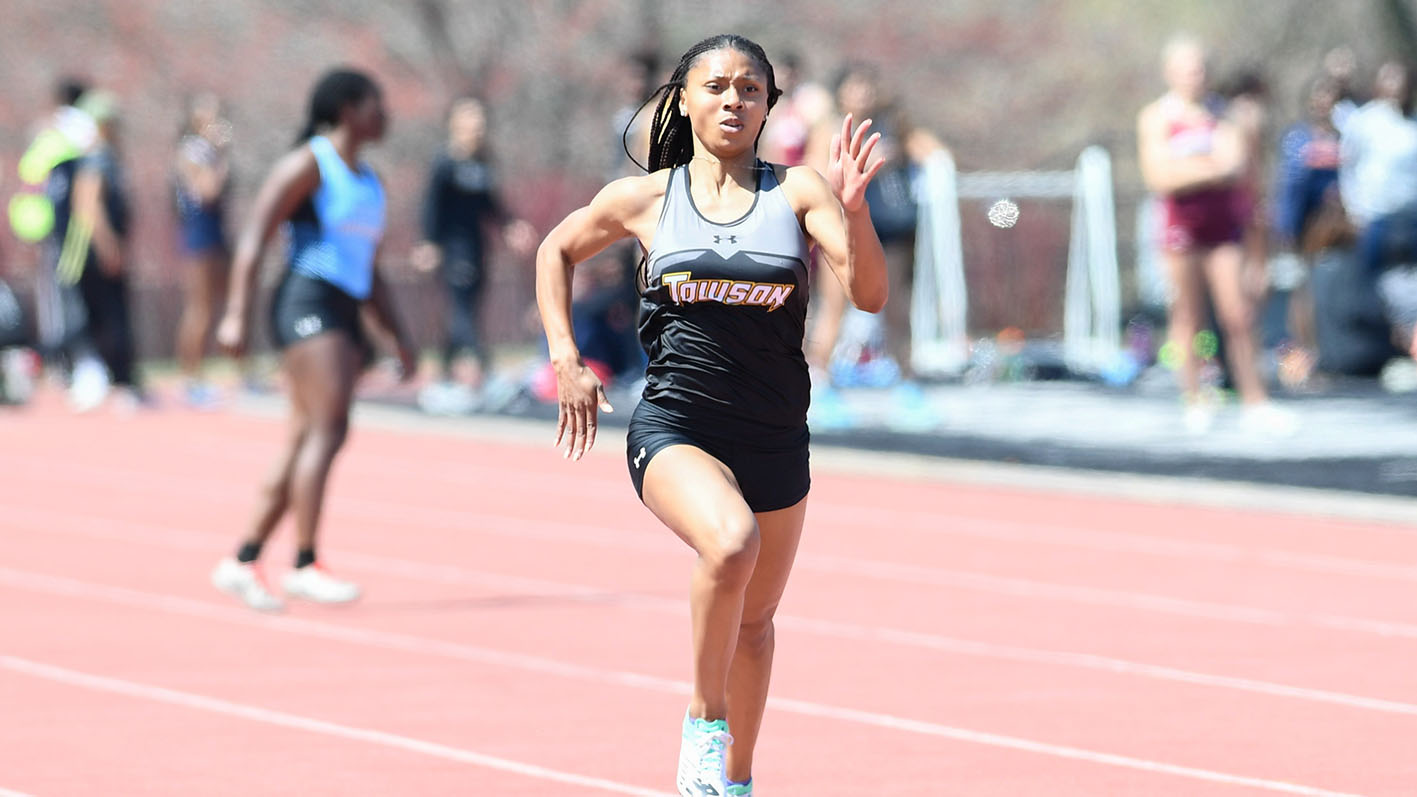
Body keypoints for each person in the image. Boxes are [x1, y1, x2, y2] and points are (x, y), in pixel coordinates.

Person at [535, 34, 887, 797]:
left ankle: (734, 780)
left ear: (767, 105)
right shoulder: (647, 199)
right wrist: (566, 357)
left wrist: (854, 214)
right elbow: (556, 251)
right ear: (682, 101)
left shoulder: (798, 194)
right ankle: (703, 722)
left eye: (750, 89)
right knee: (731, 544)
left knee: (755, 625)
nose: (734, 100)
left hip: (774, 433)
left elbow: (868, 294)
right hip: (675, 427)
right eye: (717, 86)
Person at [210, 68, 416, 612]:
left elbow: (371, 268)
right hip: (306, 299)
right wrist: (235, 314)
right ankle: (304, 563)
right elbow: (255, 238)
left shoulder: (371, 181)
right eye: (377, 103)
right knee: (327, 428)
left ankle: (244, 557)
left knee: (308, 436)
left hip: (344, 305)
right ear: (348, 109)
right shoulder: (310, 163)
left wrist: (398, 336)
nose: (385, 114)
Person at [1137, 35, 1292, 434]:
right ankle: (1194, 398)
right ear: (1170, 72)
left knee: (1238, 313)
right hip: (1181, 231)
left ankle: (1255, 400)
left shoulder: (1223, 115)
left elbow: (1238, 166)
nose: (1196, 75)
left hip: (1224, 230)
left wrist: (1190, 168)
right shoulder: (1156, 117)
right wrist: (1210, 168)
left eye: (1201, 68)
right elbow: (1160, 176)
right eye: (1188, 68)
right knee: (1187, 314)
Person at [412, 96, 534, 412]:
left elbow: (490, 204)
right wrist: (429, 243)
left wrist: (510, 225)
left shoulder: (481, 163)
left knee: (467, 309)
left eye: (480, 120)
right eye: (470, 119)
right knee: (462, 312)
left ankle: (442, 381)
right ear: (455, 123)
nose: (477, 127)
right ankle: (490, 376)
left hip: (478, 248)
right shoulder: (445, 162)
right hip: (453, 249)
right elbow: (431, 206)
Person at [67, 90, 145, 410]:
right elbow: (88, 206)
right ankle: (117, 381)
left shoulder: (106, 156)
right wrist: (108, 246)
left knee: (109, 315)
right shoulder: (97, 158)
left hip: (98, 251)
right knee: (109, 317)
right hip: (94, 254)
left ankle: (114, 378)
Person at [172, 92, 235, 406]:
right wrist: (221, 156)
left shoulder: (207, 151)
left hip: (215, 234)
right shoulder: (194, 152)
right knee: (201, 307)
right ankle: (191, 378)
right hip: (200, 236)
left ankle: (230, 370)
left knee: (224, 302)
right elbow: (207, 192)